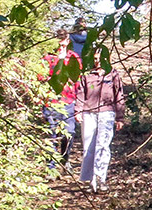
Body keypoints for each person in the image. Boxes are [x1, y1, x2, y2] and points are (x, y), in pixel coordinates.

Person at [74, 64, 126, 192]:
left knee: (103, 145)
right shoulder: (86, 73)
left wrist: (120, 117)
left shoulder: (112, 73)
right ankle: (90, 180)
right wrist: (78, 111)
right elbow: (81, 93)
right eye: (95, 59)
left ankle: (101, 178)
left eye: (99, 58)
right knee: (88, 147)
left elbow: (119, 95)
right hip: (89, 112)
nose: (97, 61)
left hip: (107, 112)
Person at [39, 36, 80, 170]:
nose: (61, 48)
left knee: (69, 133)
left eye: (64, 44)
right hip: (51, 102)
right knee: (51, 134)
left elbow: (78, 81)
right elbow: (40, 79)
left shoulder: (74, 58)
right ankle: (51, 166)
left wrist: (79, 103)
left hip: (68, 101)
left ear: (68, 42)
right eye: (59, 45)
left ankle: (65, 157)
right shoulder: (48, 59)